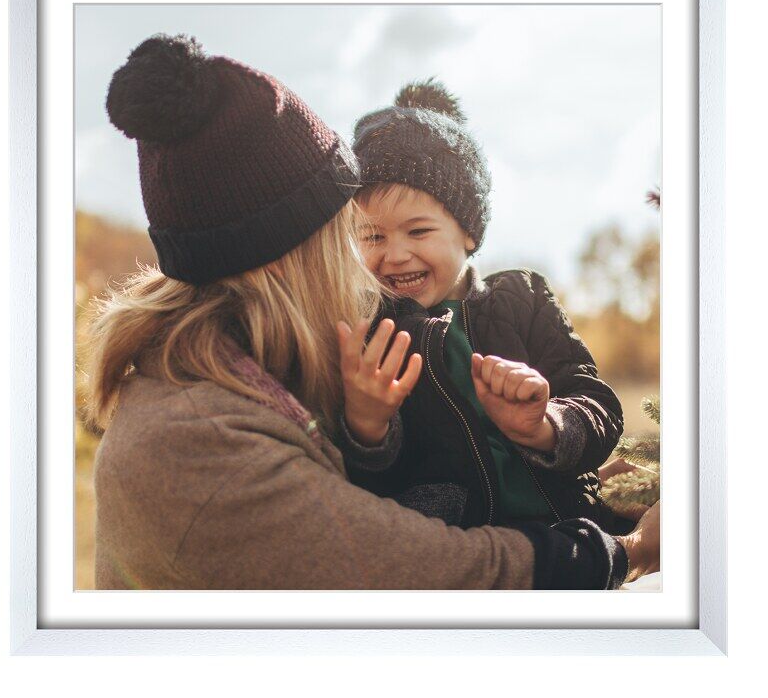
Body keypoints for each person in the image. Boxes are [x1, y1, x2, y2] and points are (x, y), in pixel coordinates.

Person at [88, 34, 658, 590]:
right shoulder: (204, 442)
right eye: (356, 230)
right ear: (285, 255)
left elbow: (587, 396)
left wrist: (555, 433)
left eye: (418, 230)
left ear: (468, 232)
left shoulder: (259, 365)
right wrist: (628, 554)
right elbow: (416, 569)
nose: (379, 256)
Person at [340, 79, 634, 534]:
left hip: (573, 528)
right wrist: (366, 424)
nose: (395, 255)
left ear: (468, 233)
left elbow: (598, 404)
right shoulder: (370, 331)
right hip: (461, 550)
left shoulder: (523, 298)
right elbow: (366, 484)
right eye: (374, 236)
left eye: (418, 232)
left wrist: (546, 424)